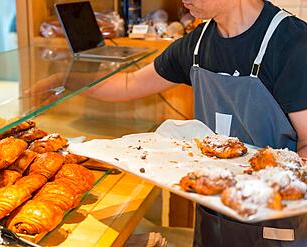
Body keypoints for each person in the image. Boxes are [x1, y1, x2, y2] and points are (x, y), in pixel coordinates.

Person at [75, 0, 307, 246]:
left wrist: (266, 187)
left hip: (278, 227)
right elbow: (129, 84)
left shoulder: (292, 43)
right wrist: (66, 81)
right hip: (212, 221)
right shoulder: (198, 44)